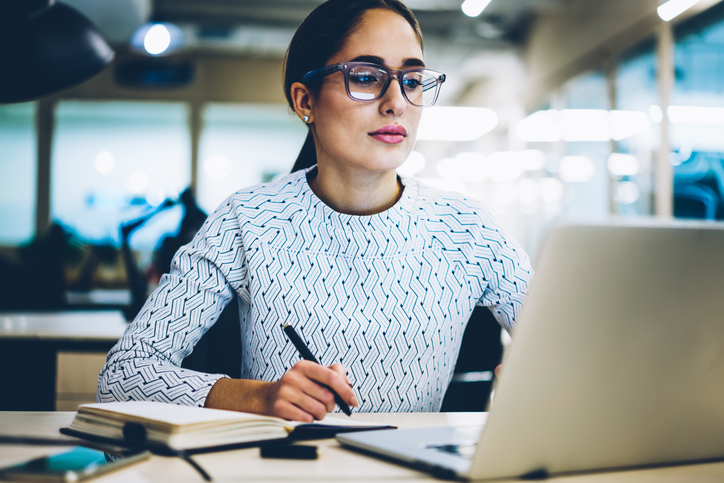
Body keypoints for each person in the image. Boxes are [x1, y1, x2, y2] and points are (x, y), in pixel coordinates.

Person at [98, 0, 532, 422]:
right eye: (365, 76)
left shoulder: (467, 230)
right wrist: (258, 397)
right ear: (305, 101)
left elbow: (577, 350)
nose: (397, 102)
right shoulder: (248, 220)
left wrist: (536, 378)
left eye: (412, 80)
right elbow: (123, 375)